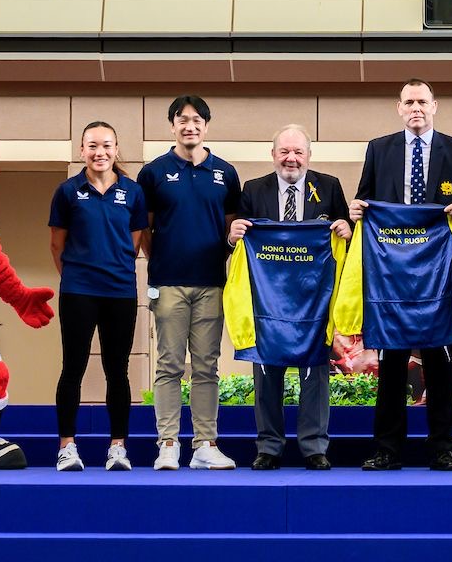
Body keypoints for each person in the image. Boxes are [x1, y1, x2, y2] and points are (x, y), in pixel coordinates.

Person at [349, 78, 452, 471]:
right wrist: (356, 210)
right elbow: (364, 199)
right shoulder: (379, 149)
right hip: (391, 276)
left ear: (434, 106)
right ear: (399, 108)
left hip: (439, 275)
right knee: (391, 366)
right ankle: (387, 450)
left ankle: (442, 448)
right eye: (409, 102)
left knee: (441, 365)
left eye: (422, 101)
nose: (416, 108)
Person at [227, 124, 352, 471]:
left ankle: (314, 447)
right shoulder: (254, 190)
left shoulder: (329, 186)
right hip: (268, 300)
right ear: (273, 155)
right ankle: (269, 447)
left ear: (309, 156)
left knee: (316, 373)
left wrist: (347, 228)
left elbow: (347, 234)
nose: (291, 158)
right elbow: (240, 244)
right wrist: (233, 236)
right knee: (267, 372)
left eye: (298, 152)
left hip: (315, 298)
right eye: (284, 151)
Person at [138, 95, 241, 471]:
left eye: (197, 120)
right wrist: (163, 262)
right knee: (168, 364)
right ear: (172, 126)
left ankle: (205, 445)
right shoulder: (153, 172)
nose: (190, 126)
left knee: (206, 367)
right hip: (167, 284)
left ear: (206, 126)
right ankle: (167, 443)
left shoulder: (225, 173)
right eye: (182, 119)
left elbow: (231, 229)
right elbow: (144, 229)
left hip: (212, 283)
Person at [49, 121, 149, 472]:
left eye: (106, 145)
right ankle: (67, 447)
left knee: (117, 371)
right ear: (82, 151)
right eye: (92, 145)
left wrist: (111, 268)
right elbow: (57, 245)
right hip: (78, 292)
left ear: (116, 149)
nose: (100, 152)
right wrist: (79, 276)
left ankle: (118, 447)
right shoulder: (67, 191)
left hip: (120, 292)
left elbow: (134, 242)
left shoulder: (133, 192)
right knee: (72, 368)